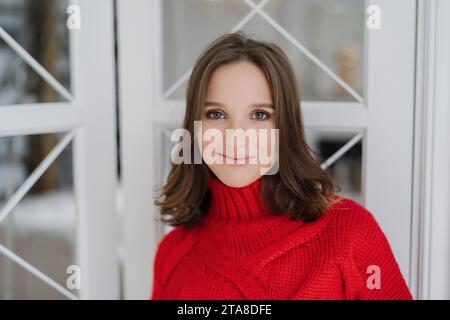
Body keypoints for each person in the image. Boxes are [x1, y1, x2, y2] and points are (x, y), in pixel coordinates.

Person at [151, 32, 413, 300]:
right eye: (216, 114)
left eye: (260, 115)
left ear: (284, 127)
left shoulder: (349, 231)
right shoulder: (173, 254)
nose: (236, 135)